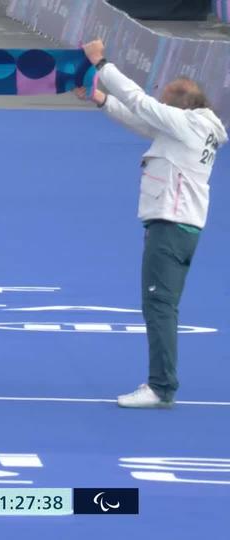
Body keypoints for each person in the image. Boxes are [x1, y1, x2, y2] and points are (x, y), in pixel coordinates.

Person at [76, 40, 226, 408]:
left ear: (180, 107)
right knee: (161, 306)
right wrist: (102, 101)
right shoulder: (195, 127)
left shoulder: (188, 125)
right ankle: (162, 382)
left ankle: (160, 386)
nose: (159, 102)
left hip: (171, 227)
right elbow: (145, 123)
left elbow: (142, 104)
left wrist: (102, 64)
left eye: (166, 100)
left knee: (159, 307)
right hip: (178, 227)